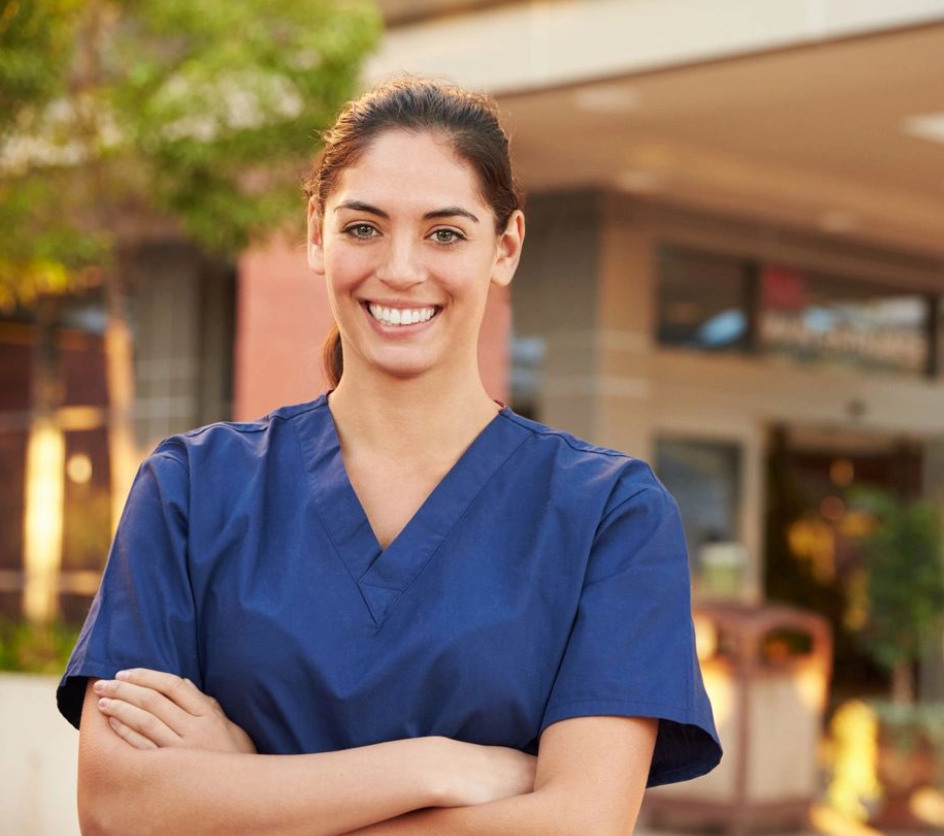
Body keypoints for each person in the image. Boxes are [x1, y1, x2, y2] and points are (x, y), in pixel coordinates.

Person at [57, 77, 721, 836]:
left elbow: (577, 824)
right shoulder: (189, 490)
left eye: (446, 233)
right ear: (316, 234)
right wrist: (432, 765)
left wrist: (238, 787)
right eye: (364, 227)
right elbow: (114, 807)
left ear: (503, 249)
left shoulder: (609, 514)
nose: (401, 269)